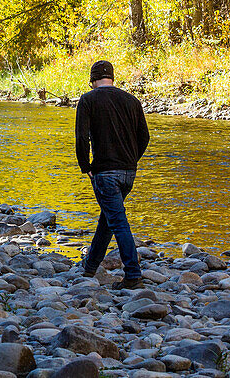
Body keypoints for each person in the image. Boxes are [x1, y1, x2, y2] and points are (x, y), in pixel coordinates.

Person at [75, 59, 150, 289]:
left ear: (92, 80)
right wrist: (131, 159)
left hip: (105, 171)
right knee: (108, 219)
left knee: (118, 222)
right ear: (112, 78)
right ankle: (90, 266)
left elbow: (82, 137)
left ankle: (133, 274)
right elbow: (144, 137)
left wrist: (85, 166)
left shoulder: (88, 100)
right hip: (129, 172)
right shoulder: (131, 100)